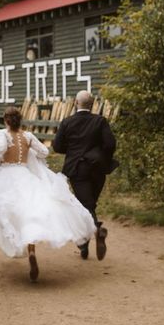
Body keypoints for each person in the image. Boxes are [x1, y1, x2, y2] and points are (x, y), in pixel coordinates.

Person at [0, 106, 96, 282]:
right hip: (25, 175)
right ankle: (31, 251)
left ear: (6, 120)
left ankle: (25, 249)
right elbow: (45, 151)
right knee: (29, 213)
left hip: (8, 177)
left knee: (12, 213)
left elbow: (1, 148)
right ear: (20, 120)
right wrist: (31, 153)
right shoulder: (28, 135)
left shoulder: (1, 133)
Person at [53, 90, 117, 261]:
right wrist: (99, 155)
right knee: (90, 205)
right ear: (92, 104)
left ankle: (95, 231)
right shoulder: (100, 121)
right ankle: (84, 246)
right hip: (97, 169)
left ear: (75, 103)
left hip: (77, 169)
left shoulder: (67, 122)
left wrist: (74, 150)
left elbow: (57, 146)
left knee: (85, 206)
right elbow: (110, 143)